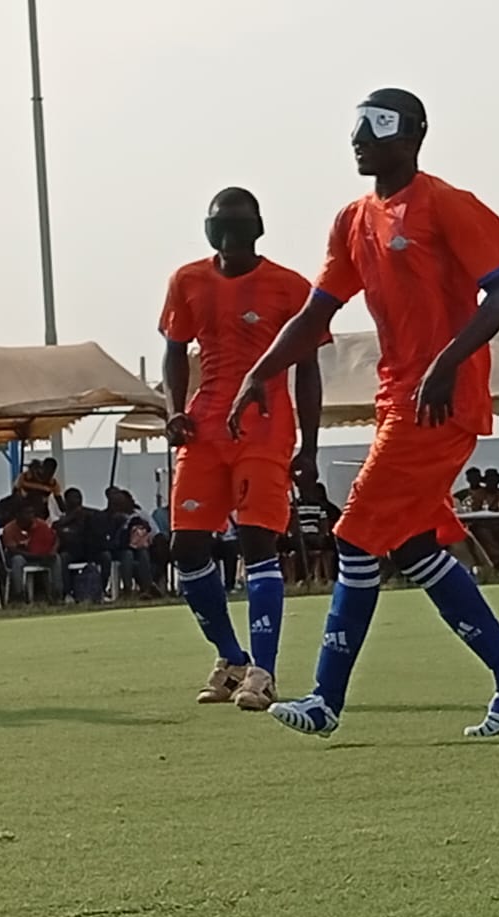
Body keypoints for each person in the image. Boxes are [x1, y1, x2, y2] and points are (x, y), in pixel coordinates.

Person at [230, 87, 499, 738]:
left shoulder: (447, 205)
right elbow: (317, 314)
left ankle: (324, 698)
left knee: (353, 537)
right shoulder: (353, 219)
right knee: (412, 543)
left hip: (438, 403)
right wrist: (260, 372)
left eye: (377, 124)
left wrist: (449, 362)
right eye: (356, 123)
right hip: (394, 398)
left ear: (412, 136)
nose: (360, 136)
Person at [160, 186, 321, 710]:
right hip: (204, 430)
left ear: (257, 228)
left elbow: (308, 369)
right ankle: (231, 658)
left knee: (257, 544)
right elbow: (175, 352)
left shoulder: (290, 287)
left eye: (237, 222)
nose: (227, 232)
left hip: (265, 430)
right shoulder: (186, 280)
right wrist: (173, 410)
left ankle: (263, 673)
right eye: (218, 223)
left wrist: (310, 448)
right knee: (187, 549)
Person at [2, 501, 62, 603]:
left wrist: (53, 550)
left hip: (41, 555)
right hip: (23, 557)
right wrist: (34, 556)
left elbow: (56, 538)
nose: (31, 516)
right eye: (27, 513)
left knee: (56, 558)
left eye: (32, 513)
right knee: (17, 560)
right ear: (18, 515)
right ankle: (19, 595)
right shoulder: (9, 529)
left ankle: (57, 594)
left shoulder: (41, 524)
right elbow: (12, 550)